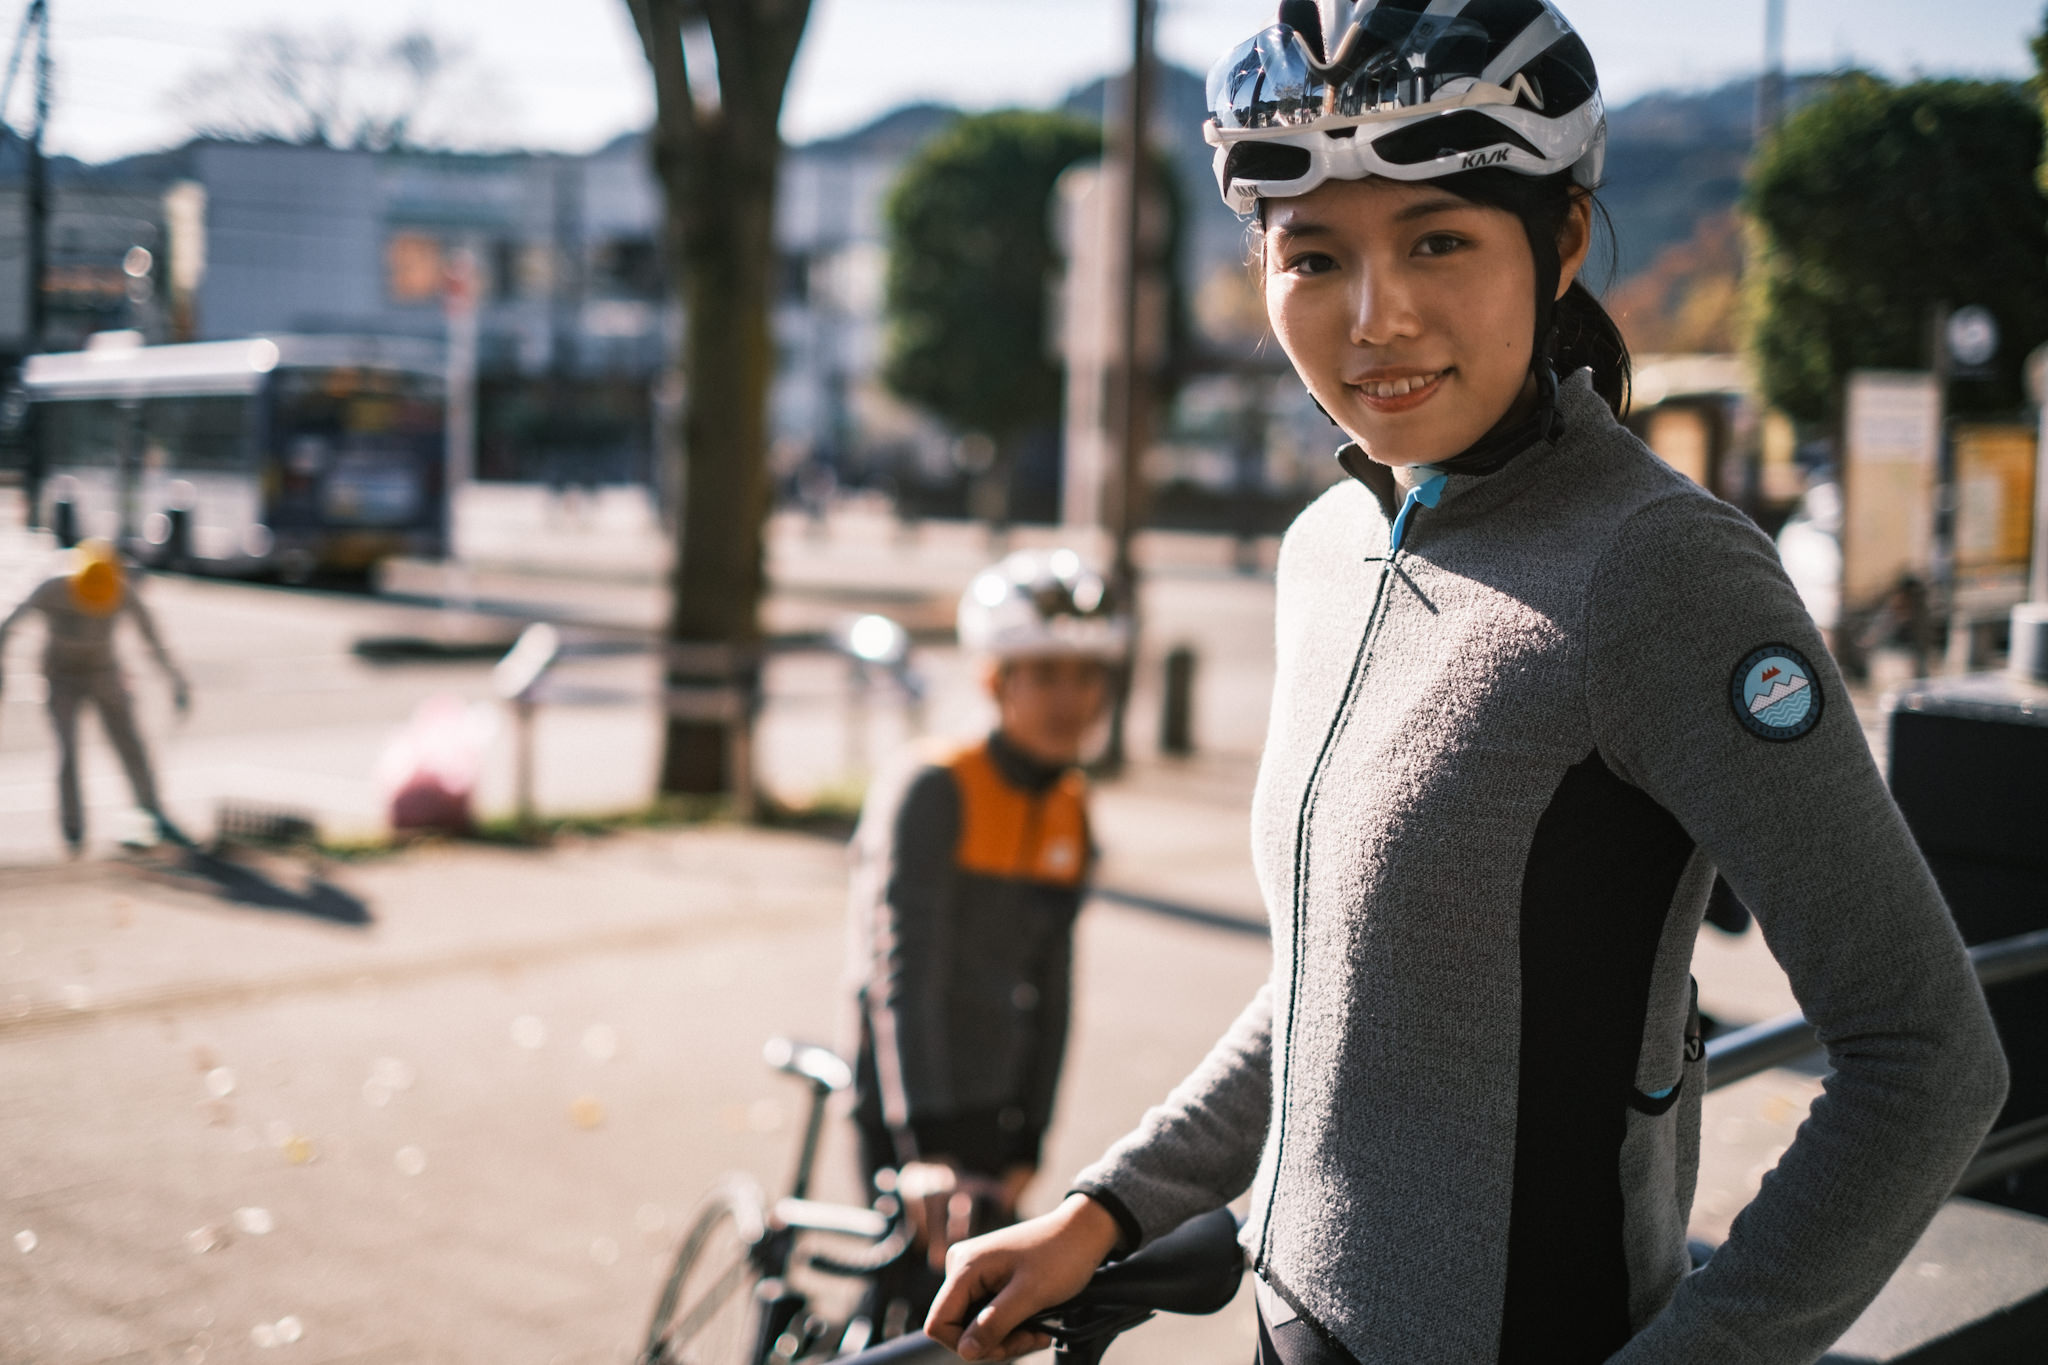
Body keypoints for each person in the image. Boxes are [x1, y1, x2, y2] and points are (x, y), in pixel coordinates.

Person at [925, 4, 2009, 1363]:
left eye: (1438, 239)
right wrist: (1105, 1207)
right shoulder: (1328, 545)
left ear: (1560, 240)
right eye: (1313, 256)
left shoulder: (1662, 572)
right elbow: (1343, 975)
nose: (1376, 320)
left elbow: (1927, 1057)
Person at [844, 548, 1124, 1328]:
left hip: (996, 1107)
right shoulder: (935, 785)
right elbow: (902, 970)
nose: (1073, 697)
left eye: (1088, 674)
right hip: (911, 1098)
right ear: (995, 679)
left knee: (985, 1325)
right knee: (906, 1313)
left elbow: (1056, 986)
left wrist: (1030, 1131)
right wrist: (922, 1142)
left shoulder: (1071, 802)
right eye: (1046, 674)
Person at [0, 539, 192, 854]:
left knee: (131, 743)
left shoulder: (120, 589)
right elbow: (8, 622)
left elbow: (152, 637)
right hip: (60, 678)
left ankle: (155, 813)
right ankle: (73, 830)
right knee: (68, 752)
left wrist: (176, 680)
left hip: (105, 673)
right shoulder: (51, 586)